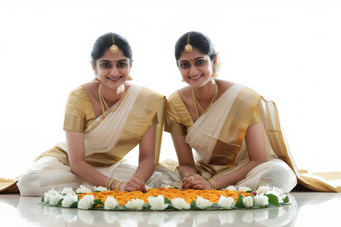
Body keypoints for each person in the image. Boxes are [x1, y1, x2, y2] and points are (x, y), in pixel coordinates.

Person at [15, 32, 170, 196]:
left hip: (110, 166)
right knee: (29, 181)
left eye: (121, 64)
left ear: (131, 65)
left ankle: (89, 184)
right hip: (67, 163)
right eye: (106, 65)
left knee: (160, 179)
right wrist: (115, 185)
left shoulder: (146, 101)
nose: (115, 72)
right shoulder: (78, 98)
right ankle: (98, 184)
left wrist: (136, 181)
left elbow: (147, 158)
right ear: (94, 66)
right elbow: (77, 163)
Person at [164, 31, 298, 192]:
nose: (193, 71)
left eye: (199, 62)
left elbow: (258, 160)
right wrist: (192, 179)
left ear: (214, 61)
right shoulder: (175, 103)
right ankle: (230, 191)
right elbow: (185, 164)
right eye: (185, 65)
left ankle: (225, 189)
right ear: (178, 67)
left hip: (243, 171)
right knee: (154, 176)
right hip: (202, 172)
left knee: (279, 175)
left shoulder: (243, 99)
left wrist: (212, 184)